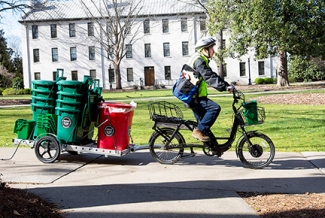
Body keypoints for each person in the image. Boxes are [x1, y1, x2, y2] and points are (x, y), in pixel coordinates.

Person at [188, 37, 234, 143]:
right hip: (195, 98)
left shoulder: (200, 59)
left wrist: (226, 85)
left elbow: (211, 75)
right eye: (212, 48)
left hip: (195, 97)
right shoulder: (199, 61)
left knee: (204, 123)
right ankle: (198, 131)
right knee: (214, 109)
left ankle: (214, 148)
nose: (214, 51)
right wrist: (225, 87)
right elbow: (209, 77)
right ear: (204, 50)